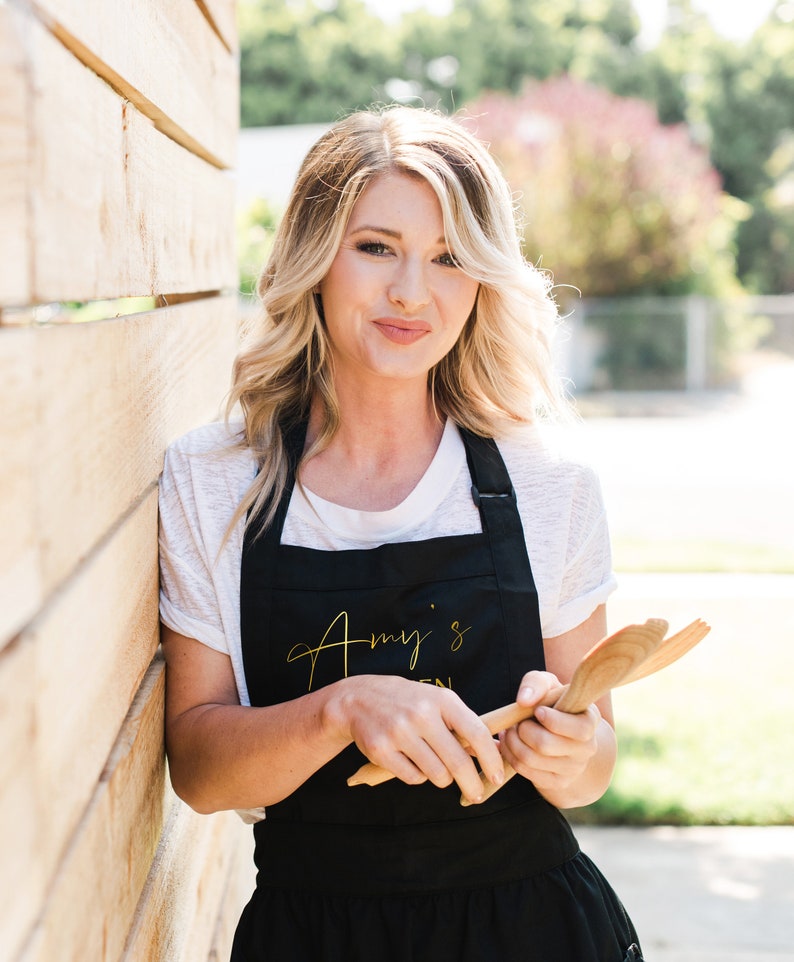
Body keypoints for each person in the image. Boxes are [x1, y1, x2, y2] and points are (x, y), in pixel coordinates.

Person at [158, 105, 644, 962]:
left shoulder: (549, 485)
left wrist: (569, 751)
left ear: (482, 280)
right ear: (315, 256)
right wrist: (342, 709)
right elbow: (199, 771)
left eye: (449, 258)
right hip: (313, 936)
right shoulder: (216, 480)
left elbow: (597, 764)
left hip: (535, 936)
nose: (412, 292)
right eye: (377, 247)